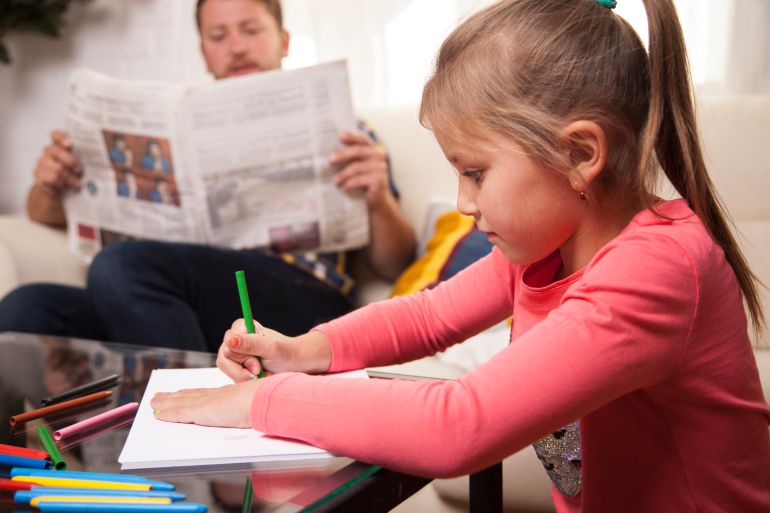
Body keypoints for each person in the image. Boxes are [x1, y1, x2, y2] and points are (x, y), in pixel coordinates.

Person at [150, 1, 770, 511]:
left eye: (475, 172)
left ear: (582, 154)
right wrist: (301, 351)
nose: (462, 203)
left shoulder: (656, 268)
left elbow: (459, 426)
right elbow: (426, 318)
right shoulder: (545, 249)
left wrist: (261, 402)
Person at [0, 0, 416, 351]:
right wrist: (51, 184)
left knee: (119, 267)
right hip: (173, 293)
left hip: (300, 293)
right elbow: (44, 216)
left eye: (251, 30)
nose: (236, 48)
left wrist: (378, 198)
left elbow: (394, 262)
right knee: (26, 308)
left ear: (283, 41)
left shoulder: (345, 127)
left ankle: (188, 428)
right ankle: (92, 443)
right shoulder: (173, 125)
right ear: (203, 51)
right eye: (219, 37)